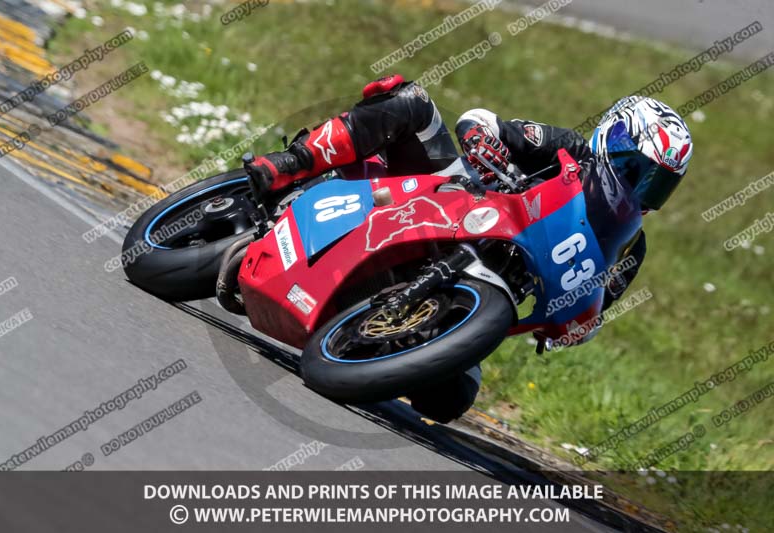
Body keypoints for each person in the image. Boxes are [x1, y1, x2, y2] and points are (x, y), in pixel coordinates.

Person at [245, 74, 693, 423]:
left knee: (449, 400)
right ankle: (291, 165)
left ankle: (374, 328)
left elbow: (589, 314)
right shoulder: (567, 149)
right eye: (634, 168)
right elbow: (484, 121)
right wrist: (484, 142)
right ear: (612, 138)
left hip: (481, 287)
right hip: (438, 194)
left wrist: (571, 328)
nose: (639, 186)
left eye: (657, 183)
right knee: (410, 101)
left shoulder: (630, 247)